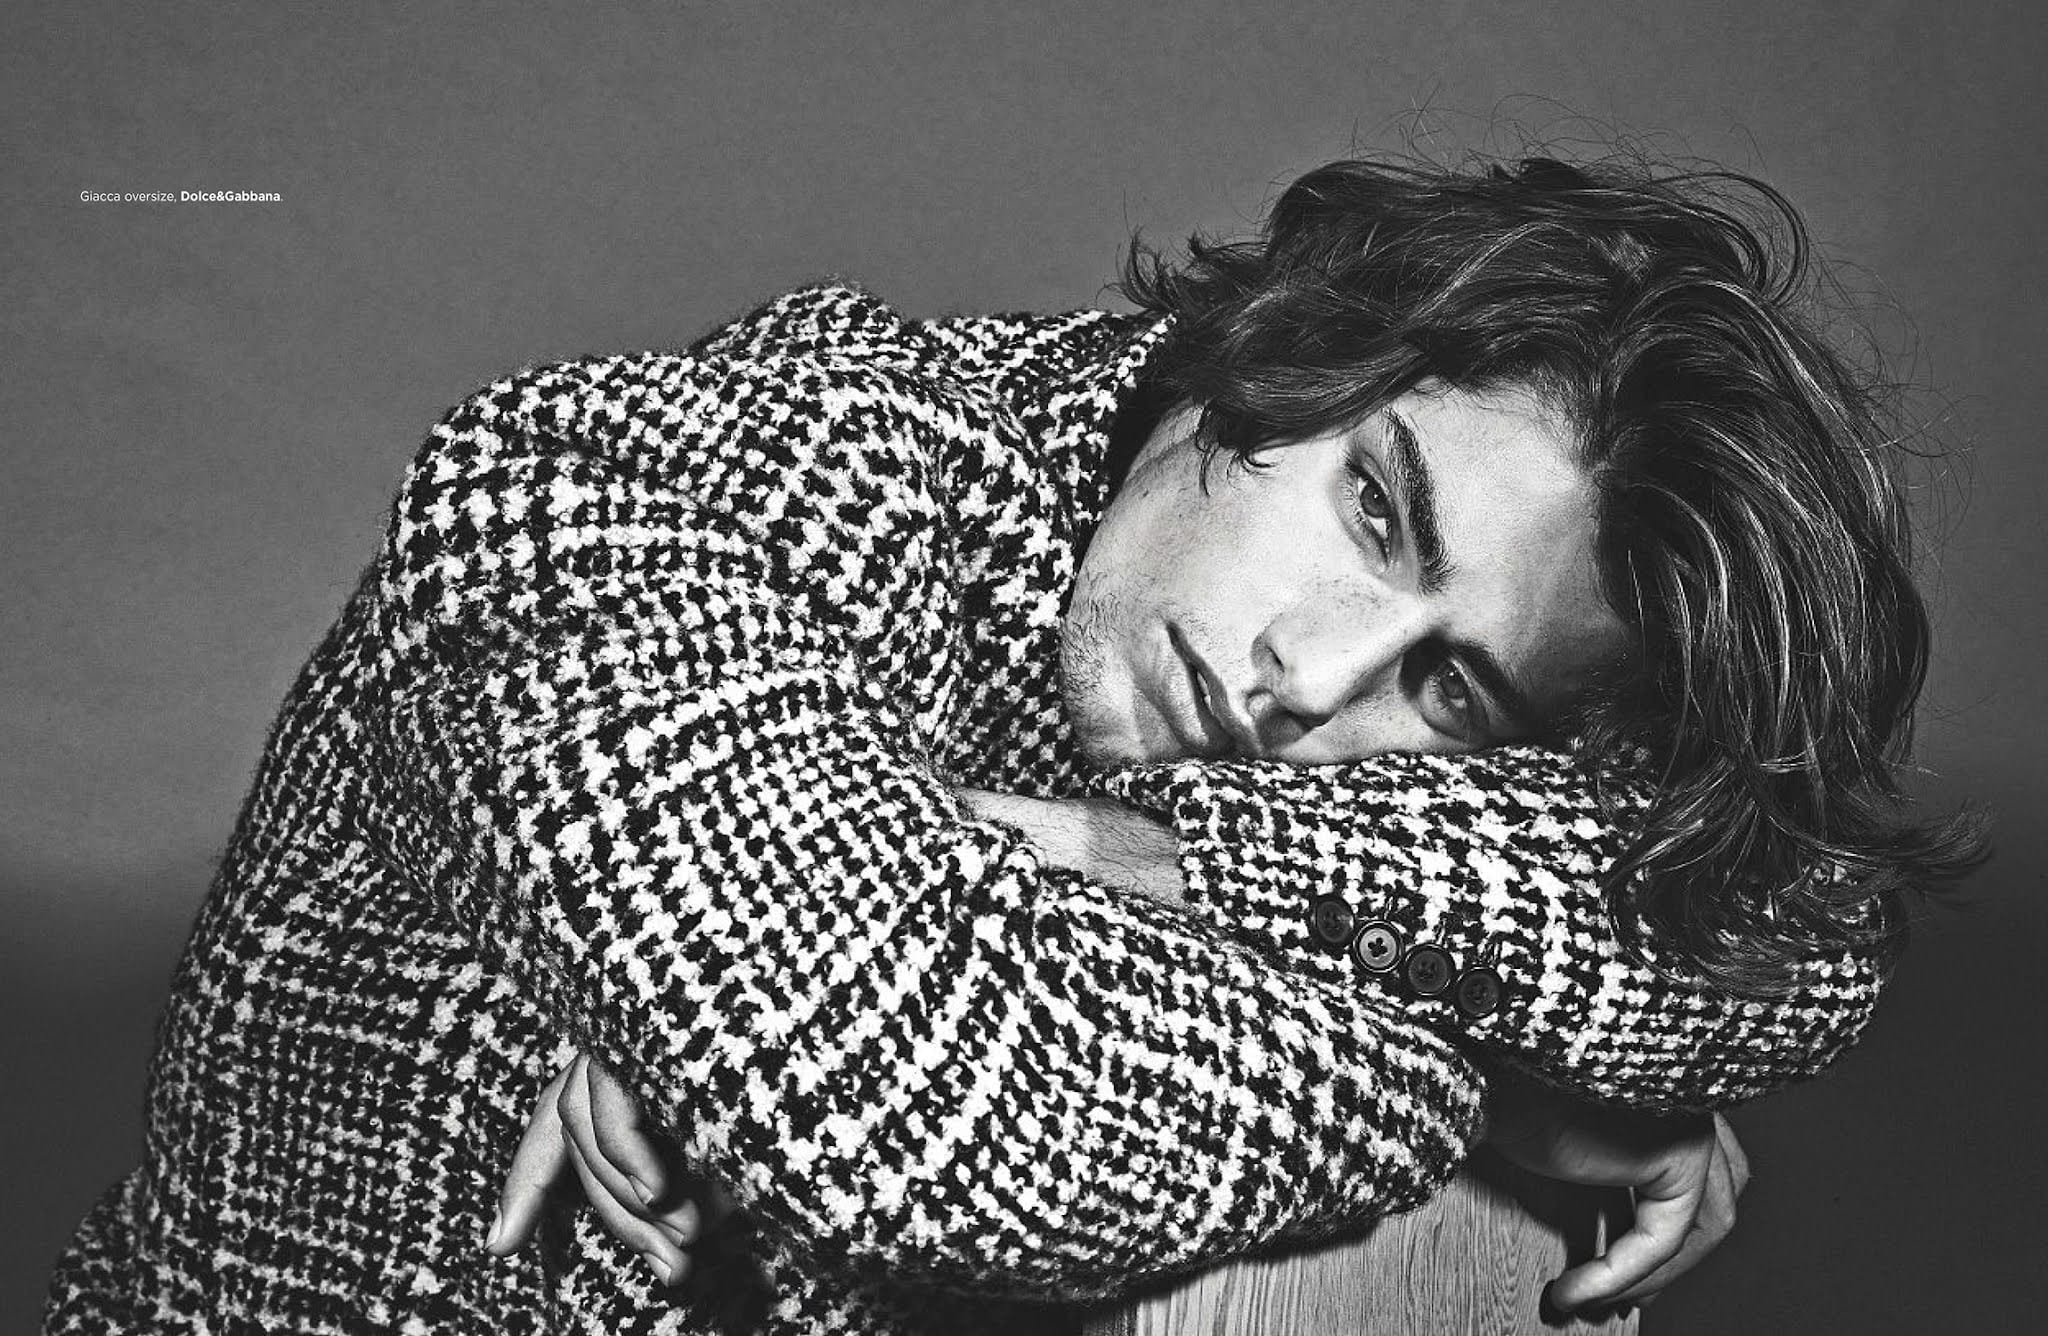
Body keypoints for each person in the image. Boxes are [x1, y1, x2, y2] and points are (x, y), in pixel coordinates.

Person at [45, 153, 1975, 1335]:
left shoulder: (1277, 735)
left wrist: (1179, 859)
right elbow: (910, 1097)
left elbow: (1789, 943)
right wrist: (1489, 1086)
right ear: (1280, 359)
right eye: (1379, 513)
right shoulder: (675, 483)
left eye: (1455, 693)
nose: (1314, 680)